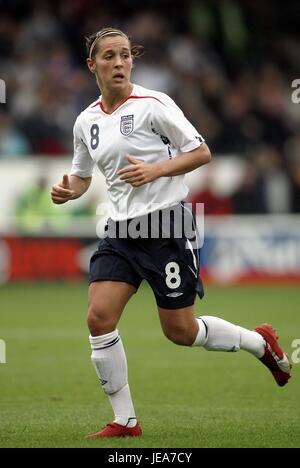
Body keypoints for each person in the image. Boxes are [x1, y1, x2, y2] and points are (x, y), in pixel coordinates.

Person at [51, 28, 292, 438]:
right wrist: (68, 190)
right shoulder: (85, 120)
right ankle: (125, 420)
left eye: (125, 55)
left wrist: (155, 169)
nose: (120, 63)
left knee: (180, 332)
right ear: (93, 66)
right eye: (109, 56)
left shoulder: (154, 104)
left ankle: (259, 342)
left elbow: (201, 151)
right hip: (120, 231)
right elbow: (81, 176)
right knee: (98, 317)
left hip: (166, 225)